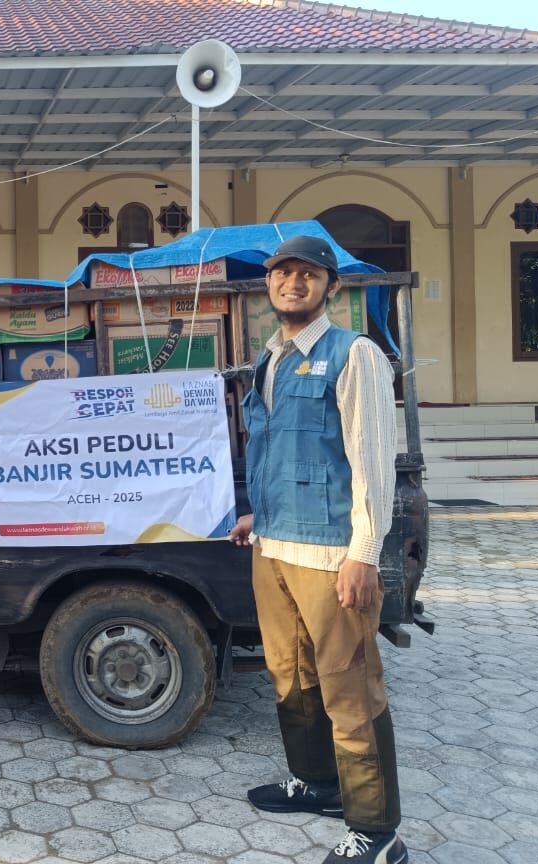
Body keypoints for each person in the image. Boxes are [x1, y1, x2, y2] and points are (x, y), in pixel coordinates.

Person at [228, 236, 406, 864]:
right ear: (267, 287)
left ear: (332, 287)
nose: (292, 283)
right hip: (274, 547)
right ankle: (316, 783)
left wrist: (364, 553)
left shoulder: (353, 355)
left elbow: (372, 461)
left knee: (350, 691)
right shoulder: (268, 358)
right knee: (291, 677)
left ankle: (377, 831)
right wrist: (256, 515)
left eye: (308, 274)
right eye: (282, 274)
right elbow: (281, 450)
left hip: (332, 555)